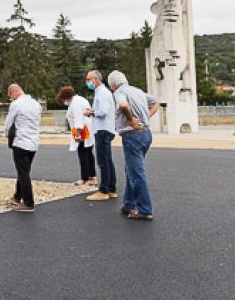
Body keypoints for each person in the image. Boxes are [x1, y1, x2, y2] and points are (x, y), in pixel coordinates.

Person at [107, 70, 160, 221]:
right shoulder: (138, 91)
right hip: (146, 134)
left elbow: (123, 106)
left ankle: (144, 210)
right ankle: (129, 203)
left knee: (136, 172)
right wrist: (146, 116)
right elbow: (156, 102)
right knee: (131, 169)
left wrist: (130, 120)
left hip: (132, 136)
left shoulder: (119, 92)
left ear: (113, 85)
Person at [3, 83, 42, 212]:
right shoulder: (36, 104)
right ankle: (17, 197)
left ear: (13, 92)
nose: (11, 98)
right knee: (24, 171)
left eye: (11, 96)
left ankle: (28, 203)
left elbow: (8, 123)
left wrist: (6, 135)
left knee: (23, 173)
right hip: (33, 142)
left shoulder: (16, 104)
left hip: (20, 142)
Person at [83, 70, 117, 201]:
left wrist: (91, 113)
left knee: (103, 162)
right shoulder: (103, 92)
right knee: (108, 160)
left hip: (102, 130)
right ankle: (111, 189)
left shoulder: (102, 93)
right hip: (106, 129)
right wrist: (93, 111)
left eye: (89, 79)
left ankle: (104, 190)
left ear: (96, 79)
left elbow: (102, 111)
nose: (87, 82)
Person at [57, 86, 96, 187]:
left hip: (82, 131)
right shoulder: (81, 99)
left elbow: (78, 119)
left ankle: (85, 178)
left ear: (66, 97)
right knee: (88, 153)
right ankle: (92, 177)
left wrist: (77, 135)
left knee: (83, 154)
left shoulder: (75, 104)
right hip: (88, 129)